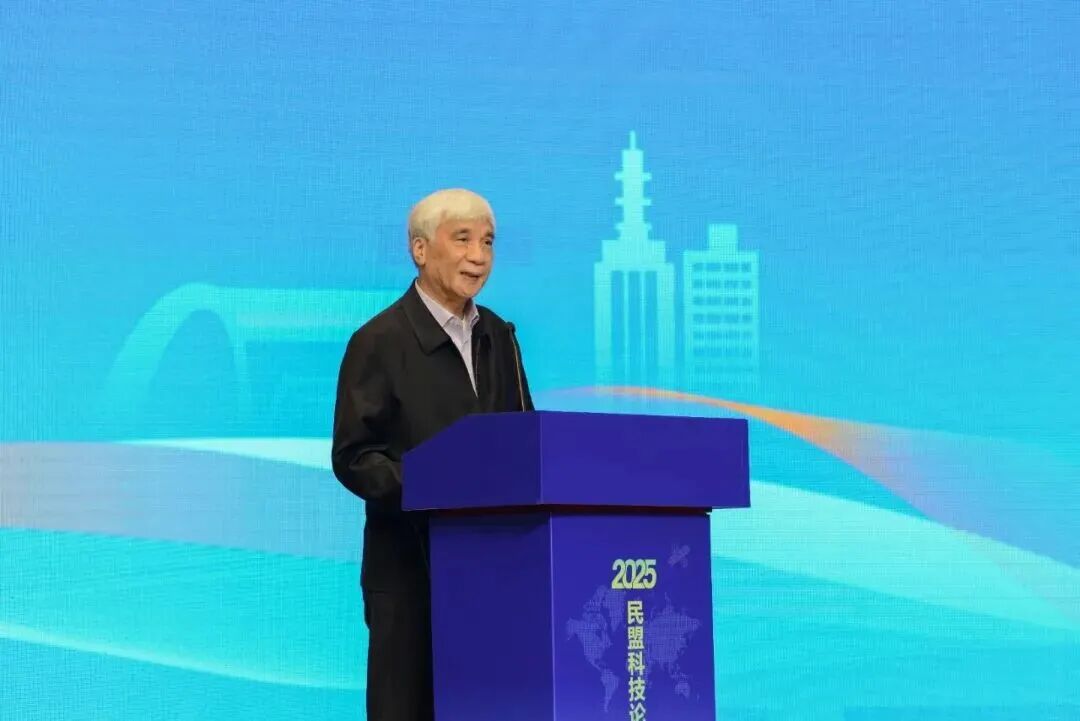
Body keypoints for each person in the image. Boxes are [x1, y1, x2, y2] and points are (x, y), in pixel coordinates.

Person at [331, 188, 534, 721]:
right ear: (420, 250)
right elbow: (354, 455)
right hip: (409, 574)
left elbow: (525, 442)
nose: (478, 256)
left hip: (493, 569)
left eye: (488, 242)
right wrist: (433, 488)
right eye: (462, 239)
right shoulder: (378, 341)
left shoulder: (500, 337)